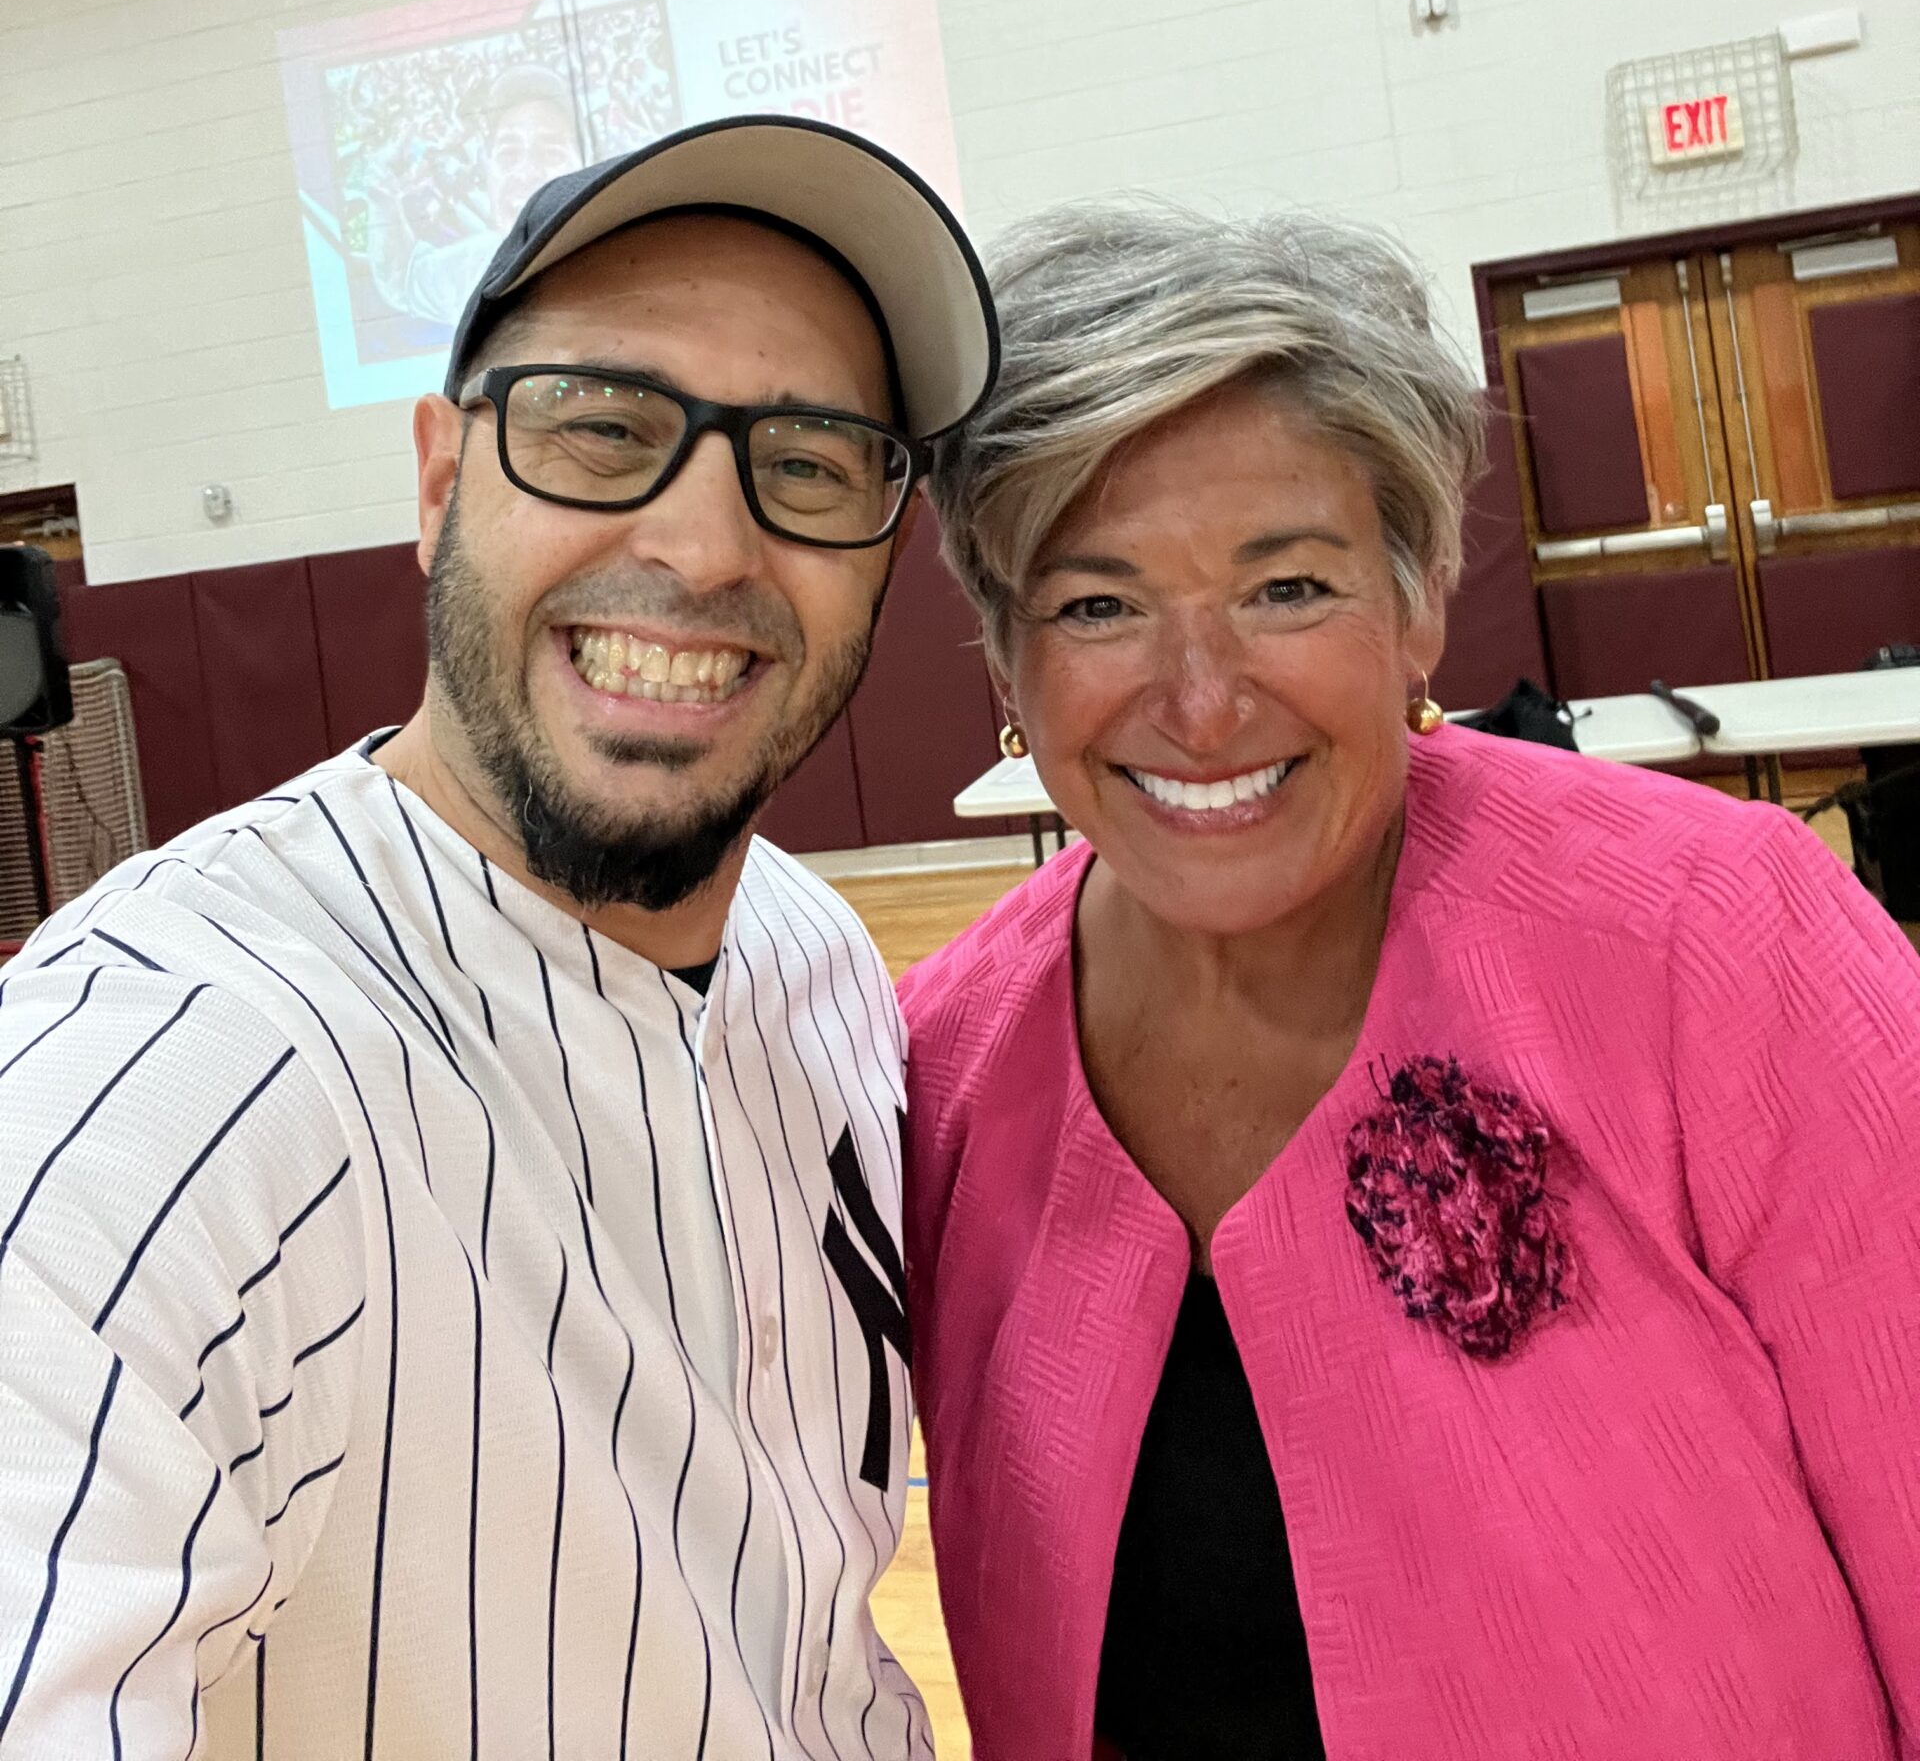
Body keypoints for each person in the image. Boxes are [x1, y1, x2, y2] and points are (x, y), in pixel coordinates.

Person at [0, 115, 996, 1760]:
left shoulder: (816, 960)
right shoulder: (156, 1090)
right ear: (442, 483)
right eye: (602, 429)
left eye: (812, 461)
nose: (699, 543)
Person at [901, 198, 1920, 1761]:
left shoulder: (1714, 936)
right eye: (1097, 604)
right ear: (1005, 660)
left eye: (1287, 587)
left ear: (1420, 601)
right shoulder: (941, 1065)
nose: (1201, 696)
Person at [365, 61, 584, 328]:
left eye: (551, 152)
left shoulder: (623, 255)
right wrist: (382, 194)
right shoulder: (474, 266)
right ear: (487, 166)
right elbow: (400, 282)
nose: (526, 173)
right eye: (508, 153)